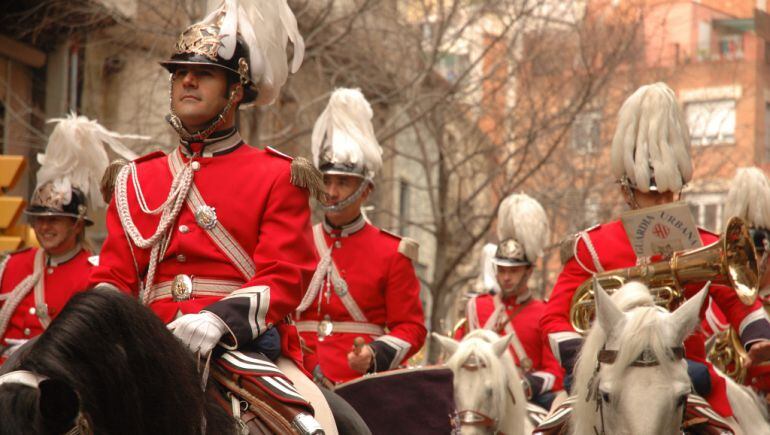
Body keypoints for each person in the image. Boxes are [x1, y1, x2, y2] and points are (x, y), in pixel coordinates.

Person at [88, 0, 335, 430]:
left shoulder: (279, 175)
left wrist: (219, 318)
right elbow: (113, 277)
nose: (186, 80)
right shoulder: (133, 179)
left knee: (308, 427)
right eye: (179, 72)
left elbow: (284, 275)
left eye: (203, 73)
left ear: (235, 91)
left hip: (242, 346)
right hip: (146, 345)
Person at [541, 82, 770, 418]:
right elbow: (554, 317)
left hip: (687, 381)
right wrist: (586, 359)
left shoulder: (704, 242)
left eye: (670, 193)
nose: (664, 203)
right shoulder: (592, 248)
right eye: (653, 194)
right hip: (610, 384)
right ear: (627, 190)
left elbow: (740, 299)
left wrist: (758, 338)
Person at [294, 88, 426, 385]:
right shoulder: (297, 241)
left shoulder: (392, 253)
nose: (331, 191)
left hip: (358, 383)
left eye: (343, 182)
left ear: (366, 190)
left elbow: (412, 328)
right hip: (295, 374)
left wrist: (374, 354)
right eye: (326, 180)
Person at [0, 113, 137, 363]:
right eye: (39, 219)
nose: (44, 227)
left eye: (54, 220)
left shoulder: (94, 275)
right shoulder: (12, 265)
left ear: (76, 225)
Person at [455, 193, 564, 410]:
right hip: (478, 399)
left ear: (528, 271)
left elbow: (555, 373)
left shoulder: (544, 312)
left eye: (513, 271)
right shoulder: (476, 307)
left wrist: (523, 384)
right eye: (502, 270)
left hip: (526, 400)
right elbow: (459, 355)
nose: (506, 277)